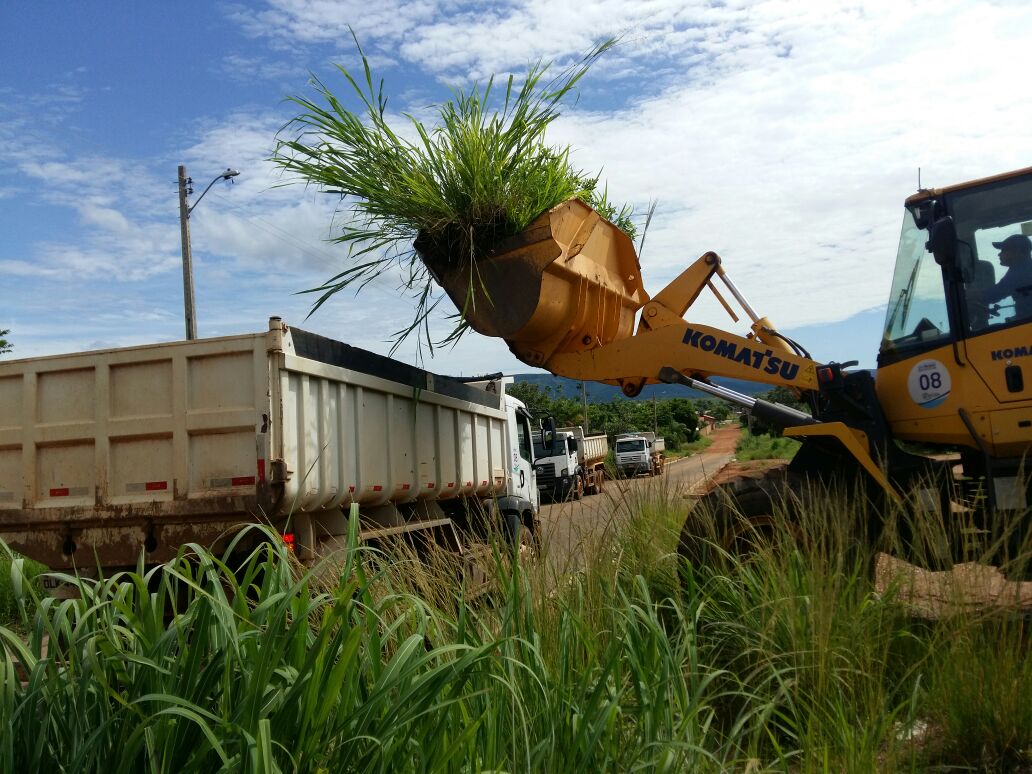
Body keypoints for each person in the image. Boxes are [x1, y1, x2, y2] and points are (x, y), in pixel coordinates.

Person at [985, 233, 1032, 320]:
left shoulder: (1020, 272)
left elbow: (993, 294)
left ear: (1017, 252)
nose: (999, 254)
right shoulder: (1023, 268)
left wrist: (969, 295)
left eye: (1004, 250)